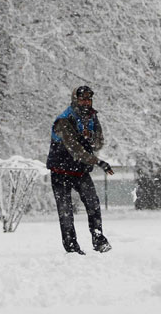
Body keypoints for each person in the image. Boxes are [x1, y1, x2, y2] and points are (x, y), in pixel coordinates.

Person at [46, 85, 114, 254]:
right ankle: (71, 246)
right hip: (60, 171)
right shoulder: (64, 120)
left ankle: (98, 239)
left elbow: (99, 142)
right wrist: (99, 162)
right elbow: (75, 150)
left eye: (88, 99)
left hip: (80, 171)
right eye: (82, 99)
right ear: (75, 100)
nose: (86, 102)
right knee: (66, 210)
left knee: (93, 203)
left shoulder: (92, 117)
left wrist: (90, 138)